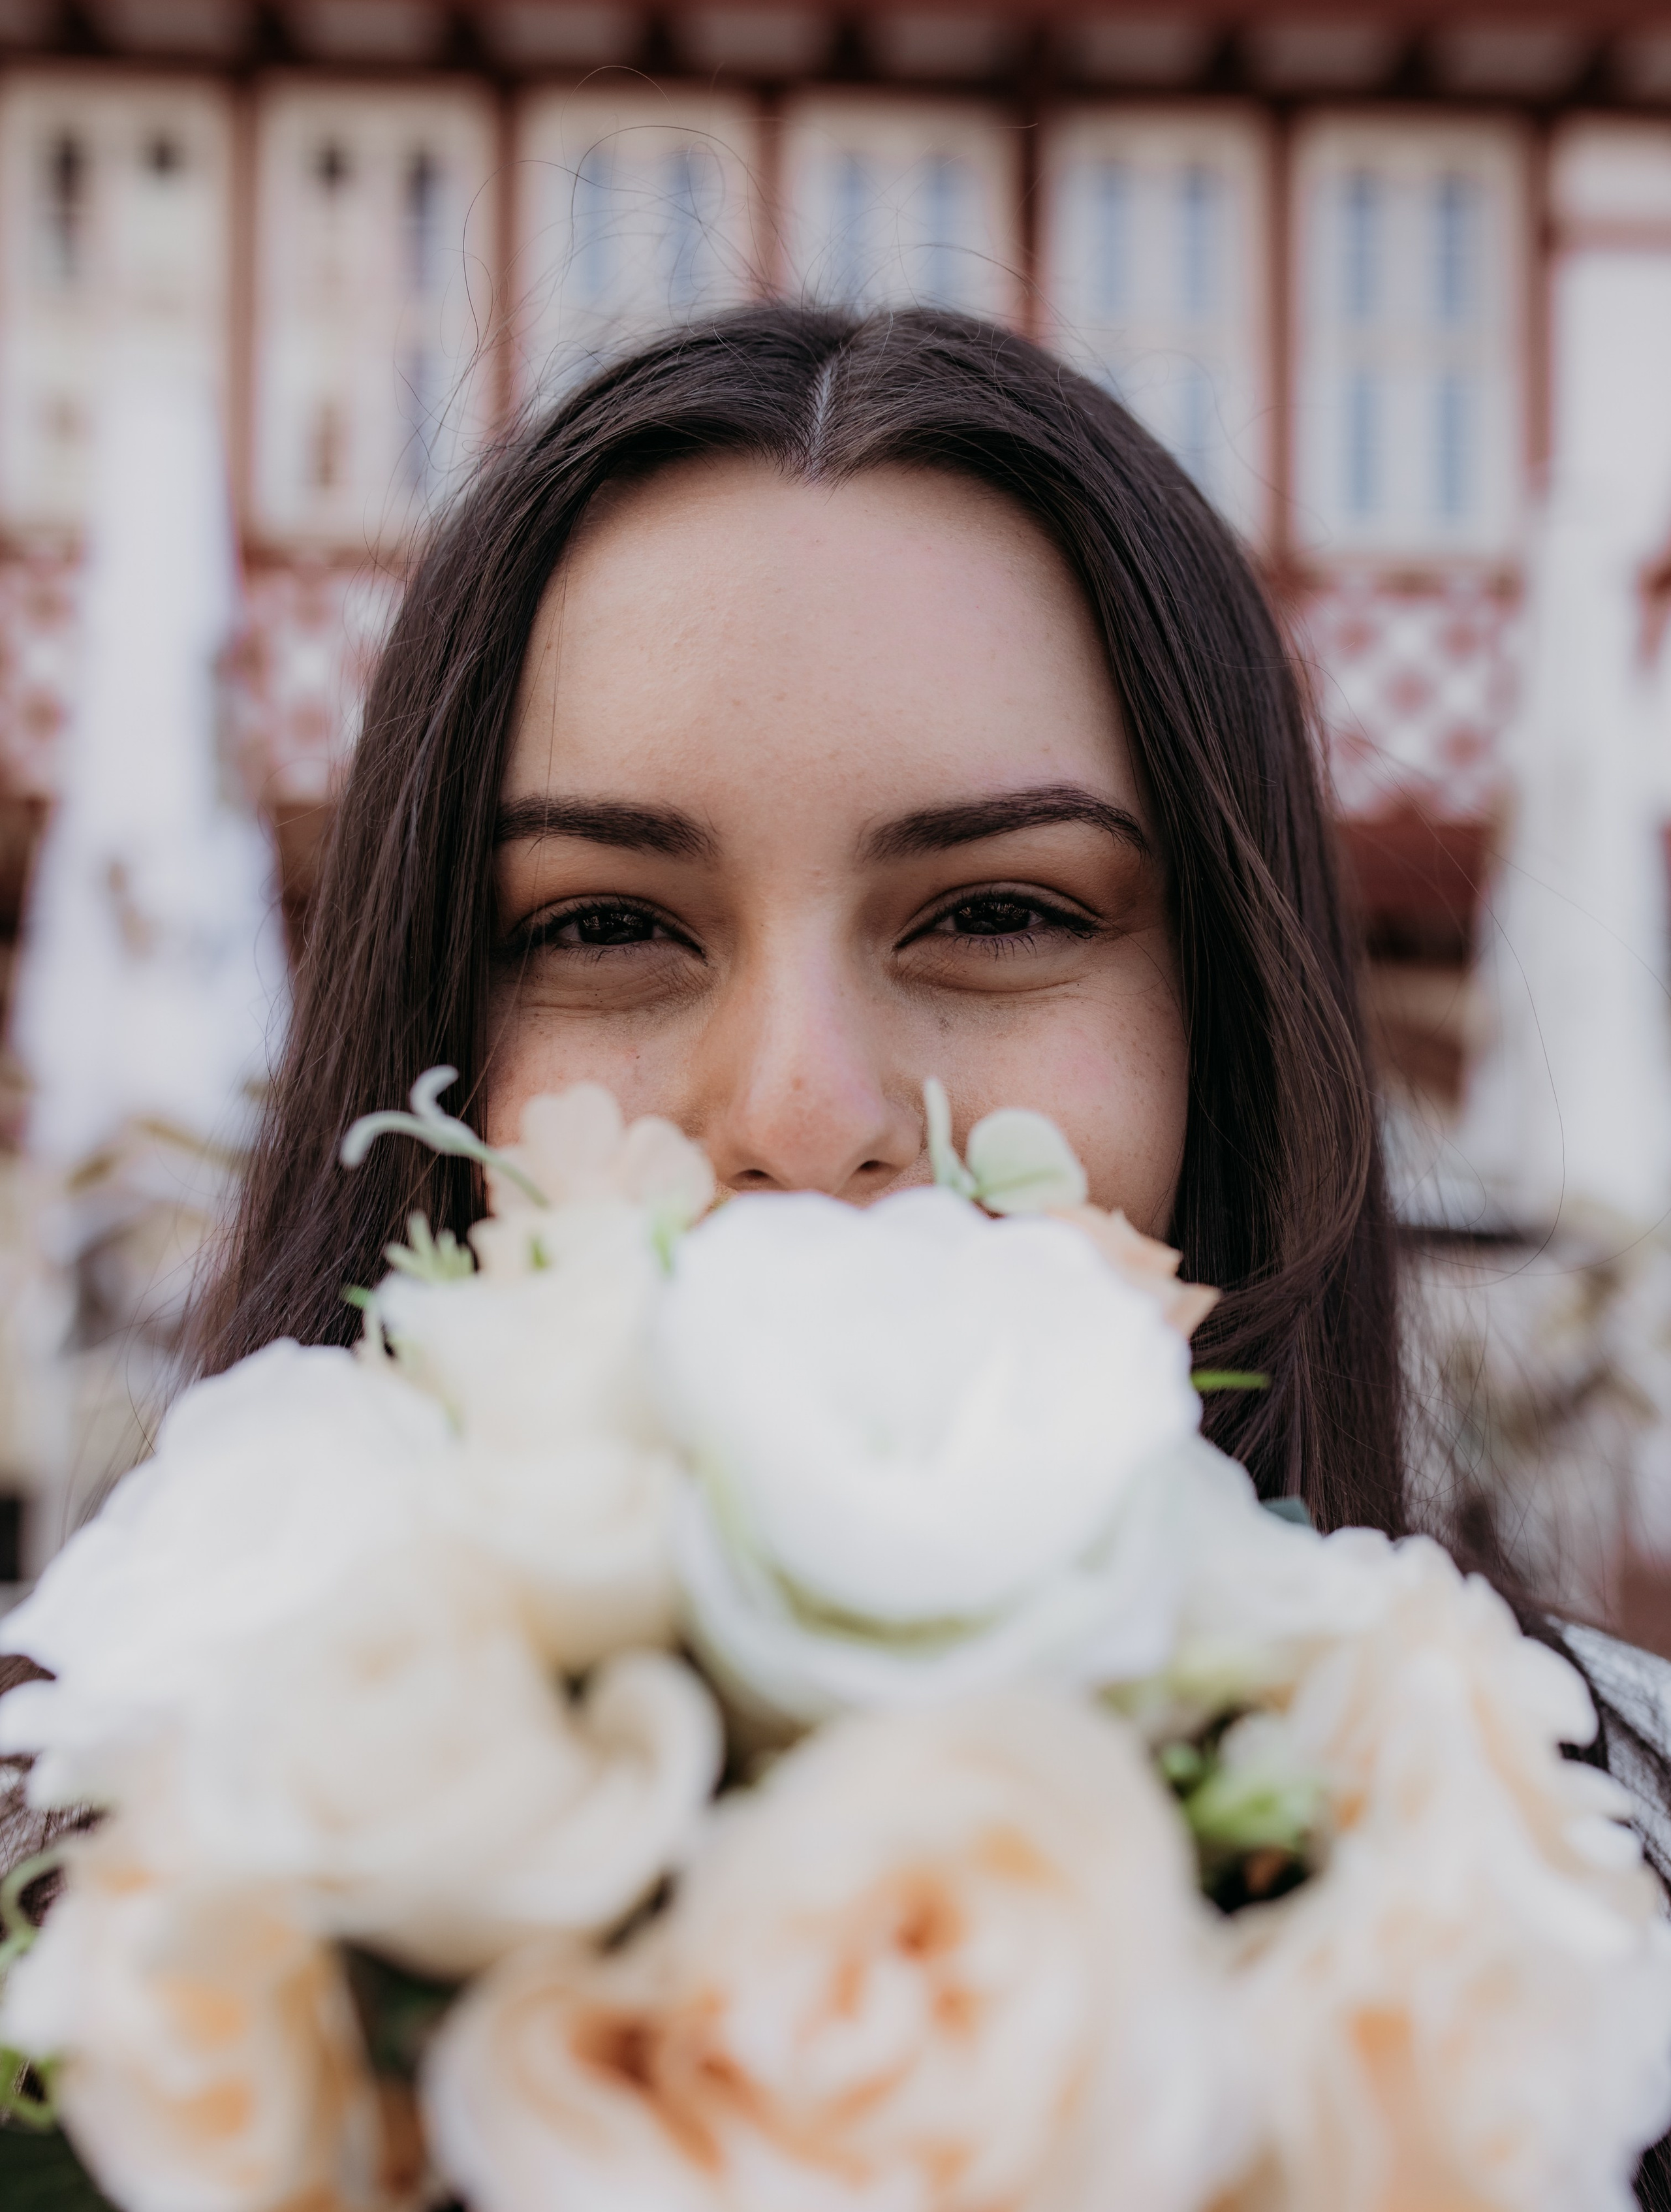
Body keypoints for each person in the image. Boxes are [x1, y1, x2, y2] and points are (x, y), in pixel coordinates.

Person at [12, 304, 1671, 2198]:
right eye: (609, 926)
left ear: (1225, 1020)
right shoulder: (97, 1935)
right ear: (427, 1037)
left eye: (997, 906)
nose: (803, 1119)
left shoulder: (1592, 1920)